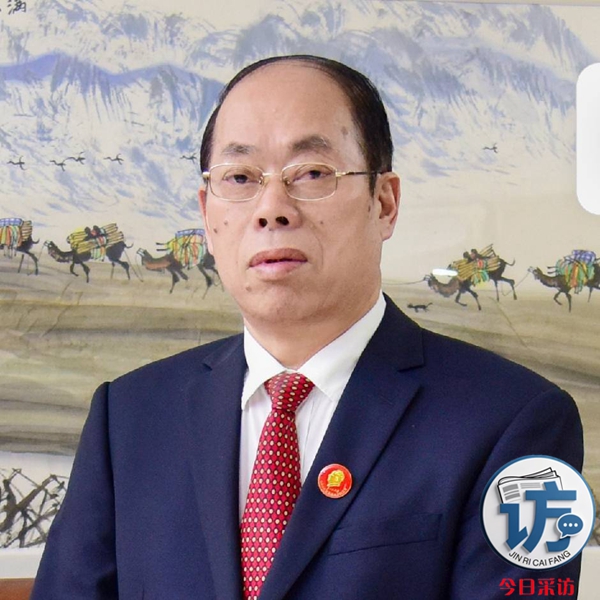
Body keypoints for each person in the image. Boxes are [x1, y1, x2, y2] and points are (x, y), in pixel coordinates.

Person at [32, 55, 583, 599]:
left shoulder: (514, 420)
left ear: (384, 203)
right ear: (207, 215)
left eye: (313, 174)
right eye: (240, 178)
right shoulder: (128, 417)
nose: (272, 209)